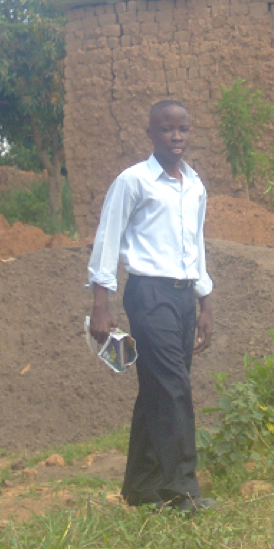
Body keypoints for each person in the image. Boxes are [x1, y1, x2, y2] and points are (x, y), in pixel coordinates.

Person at [88, 100, 215, 512]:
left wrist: (204, 303)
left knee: (156, 389)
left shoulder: (194, 186)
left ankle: (140, 487)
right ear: (150, 134)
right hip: (148, 294)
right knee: (174, 386)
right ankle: (182, 491)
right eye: (166, 130)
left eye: (183, 129)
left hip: (182, 296)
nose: (176, 137)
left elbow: (196, 245)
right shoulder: (133, 181)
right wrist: (100, 306)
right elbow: (108, 239)